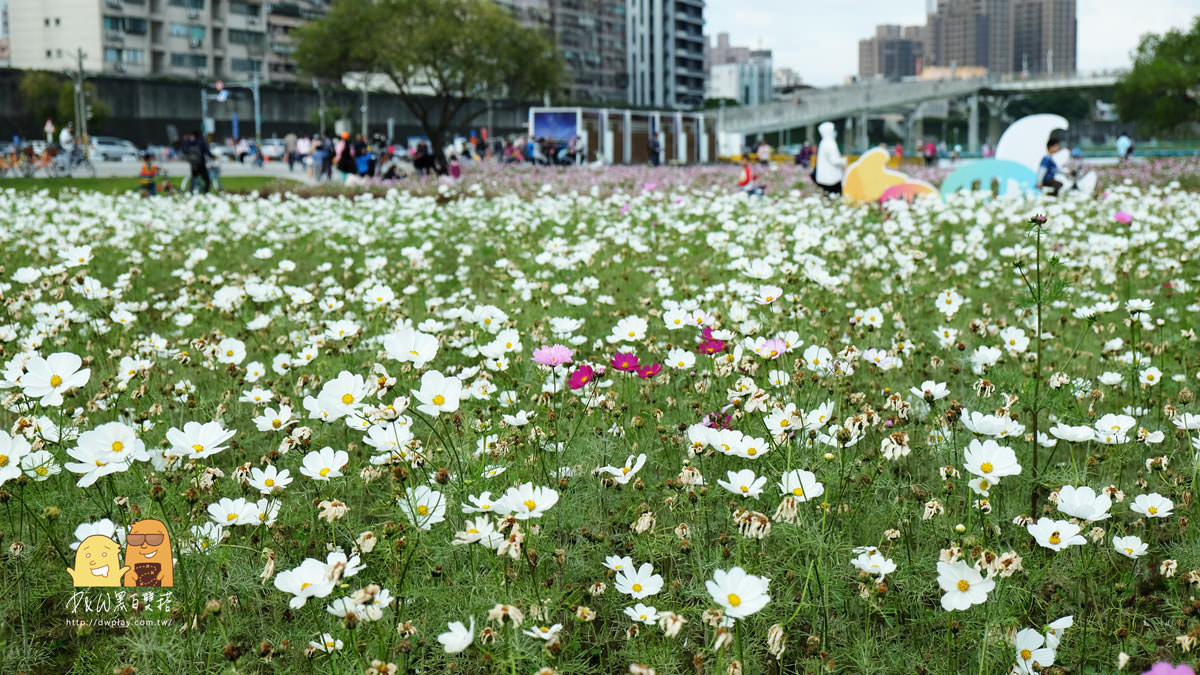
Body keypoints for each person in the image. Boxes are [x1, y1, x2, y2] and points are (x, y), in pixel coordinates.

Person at [814, 121, 846, 196]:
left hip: (824, 178)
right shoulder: (830, 143)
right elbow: (835, 160)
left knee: (827, 196)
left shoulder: (823, 142)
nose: (835, 132)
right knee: (835, 198)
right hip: (832, 178)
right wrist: (844, 161)